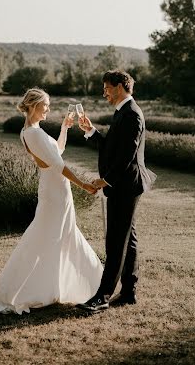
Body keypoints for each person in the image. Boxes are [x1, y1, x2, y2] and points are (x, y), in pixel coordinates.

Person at [0, 88, 103, 315]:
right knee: (48, 237)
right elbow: (58, 165)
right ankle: (96, 283)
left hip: (54, 190)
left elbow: (57, 151)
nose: (48, 110)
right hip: (55, 193)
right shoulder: (33, 134)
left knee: (59, 235)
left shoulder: (31, 131)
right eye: (46, 106)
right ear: (33, 106)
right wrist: (84, 185)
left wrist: (64, 128)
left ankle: (72, 285)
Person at [77, 70, 157, 313]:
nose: (104, 93)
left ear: (120, 87)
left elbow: (125, 157)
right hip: (123, 184)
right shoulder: (123, 111)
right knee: (128, 239)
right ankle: (129, 291)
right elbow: (113, 148)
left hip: (125, 185)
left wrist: (105, 180)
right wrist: (91, 132)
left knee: (115, 241)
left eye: (107, 88)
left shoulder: (132, 114)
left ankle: (102, 296)